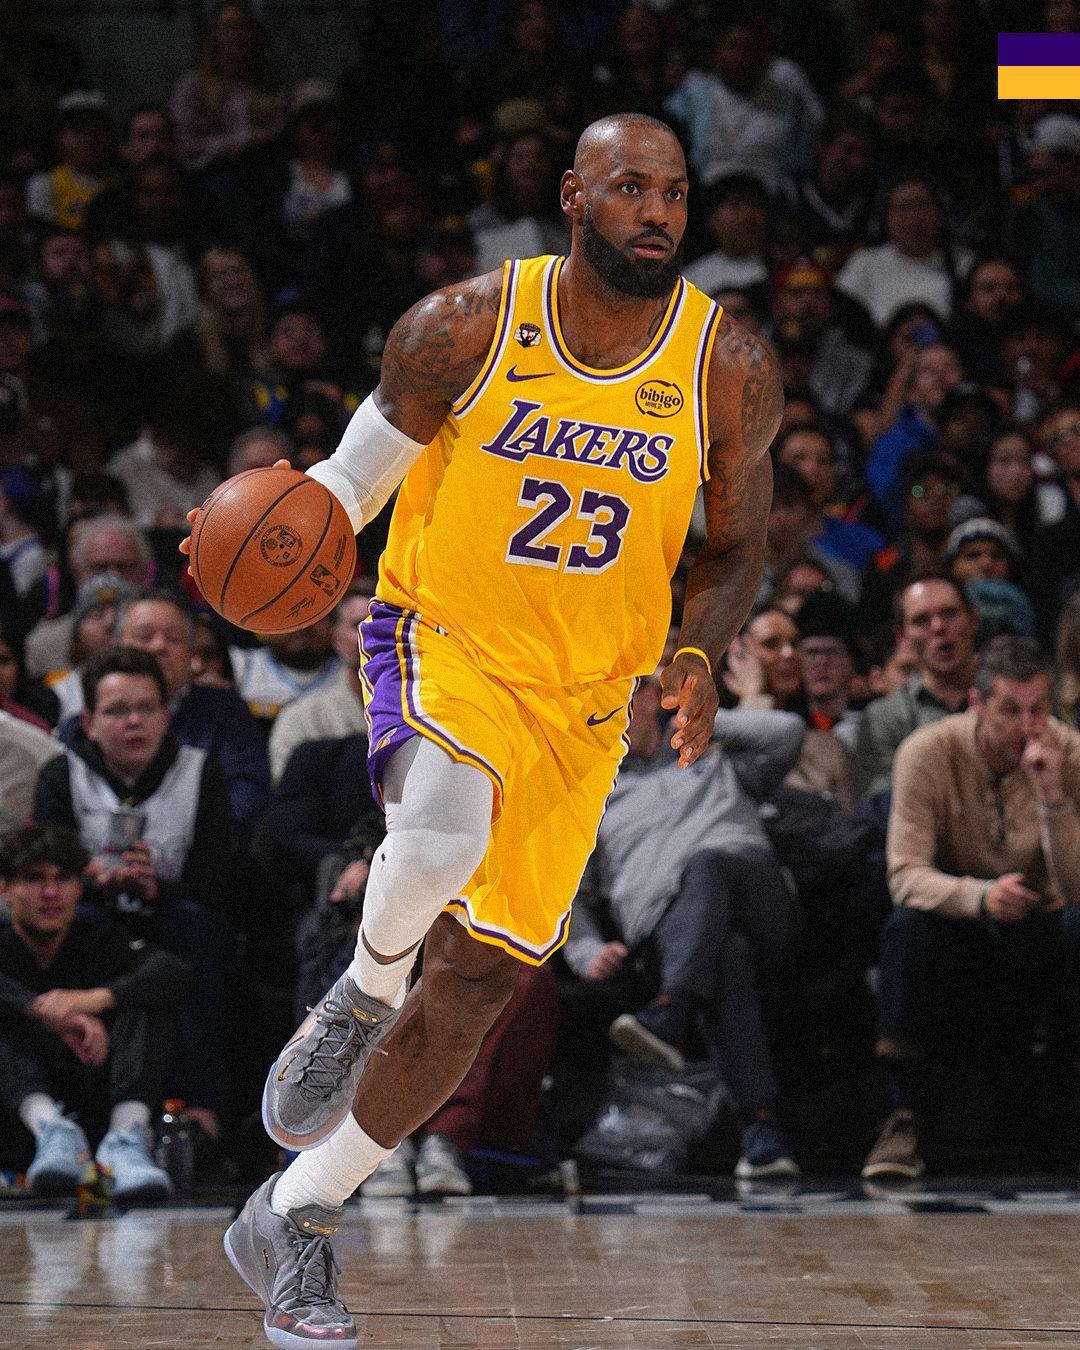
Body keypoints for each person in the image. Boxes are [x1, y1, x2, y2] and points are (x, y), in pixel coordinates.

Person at [201, 113, 781, 1347]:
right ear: (573, 195)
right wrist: (274, 531)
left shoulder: (725, 366)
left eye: (674, 192)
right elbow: (348, 487)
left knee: (474, 987)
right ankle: (358, 997)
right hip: (444, 639)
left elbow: (736, 547)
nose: (657, 212)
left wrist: (695, 651)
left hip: (587, 705)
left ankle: (293, 1215)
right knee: (442, 836)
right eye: (630, 187)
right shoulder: (463, 326)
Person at [564, 677, 804, 1179]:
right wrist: (586, 952)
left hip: (759, 902)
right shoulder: (591, 795)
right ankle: (761, 1130)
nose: (612, 712)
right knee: (727, 955)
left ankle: (669, 1013)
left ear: (654, 696)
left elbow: (787, 733)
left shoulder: (713, 758)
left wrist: (702, 720)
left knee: (708, 863)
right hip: (668, 937)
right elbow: (573, 897)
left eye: (625, 695)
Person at [862, 637, 1080, 1179]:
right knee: (906, 929)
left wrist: (1054, 800)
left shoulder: (1068, 752)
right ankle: (901, 1119)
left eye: (1038, 710)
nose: (1028, 727)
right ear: (977, 704)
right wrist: (979, 898)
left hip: (1038, 924)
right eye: (1010, 710)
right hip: (957, 923)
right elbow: (904, 876)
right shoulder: (926, 752)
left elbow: (1076, 890)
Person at [34, 644, 235, 1144]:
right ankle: (68, 1113)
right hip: (89, 919)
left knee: (196, 929)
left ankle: (199, 1111)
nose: (134, 722)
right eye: (117, 711)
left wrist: (156, 886)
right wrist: (90, 881)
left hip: (172, 919)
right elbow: (43, 878)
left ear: (166, 716)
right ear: (88, 723)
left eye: (146, 708)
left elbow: (220, 885)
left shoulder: (200, 772)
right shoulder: (61, 775)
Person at [0, 822, 189, 1199]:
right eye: (34, 879)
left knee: (146, 998)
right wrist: (41, 1010)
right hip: (19, 1121)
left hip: (96, 1100)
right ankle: (51, 1129)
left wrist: (89, 1001)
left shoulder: (99, 938)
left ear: (78, 887)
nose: (51, 893)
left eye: (63, 879)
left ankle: (126, 1139)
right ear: (4, 888)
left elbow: (173, 972)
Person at [854, 575, 980, 798]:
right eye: (921, 620)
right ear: (902, 637)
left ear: (973, 620)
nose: (938, 627)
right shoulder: (883, 717)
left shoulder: (1013, 700)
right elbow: (883, 804)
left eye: (949, 613)